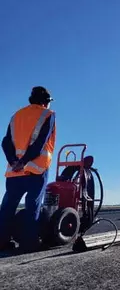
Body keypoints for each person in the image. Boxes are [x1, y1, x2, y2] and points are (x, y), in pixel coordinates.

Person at [0, 86, 56, 253]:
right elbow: (40, 143)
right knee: (33, 206)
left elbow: (5, 142)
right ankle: (29, 244)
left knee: (8, 207)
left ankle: (1, 242)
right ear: (45, 102)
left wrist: (14, 161)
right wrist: (24, 161)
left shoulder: (16, 116)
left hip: (14, 172)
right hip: (36, 169)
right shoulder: (48, 115)